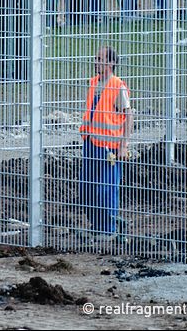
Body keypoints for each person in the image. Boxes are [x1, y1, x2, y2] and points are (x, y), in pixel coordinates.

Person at [78, 46, 132, 240]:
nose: (95, 62)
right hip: (91, 144)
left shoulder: (118, 86)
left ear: (110, 63)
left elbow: (128, 116)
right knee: (87, 187)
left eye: (99, 59)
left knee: (106, 188)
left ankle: (108, 228)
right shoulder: (94, 83)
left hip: (109, 148)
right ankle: (97, 225)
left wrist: (123, 145)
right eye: (95, 58)